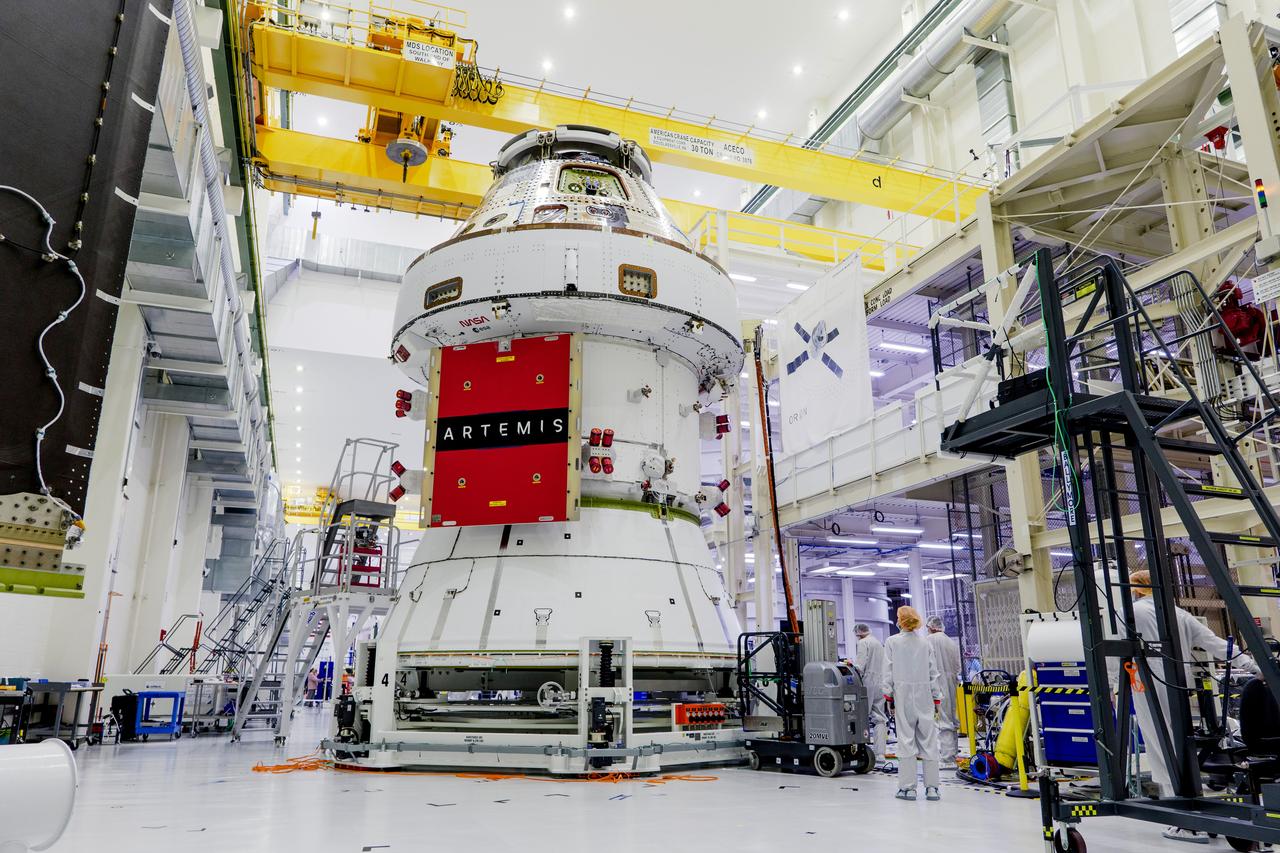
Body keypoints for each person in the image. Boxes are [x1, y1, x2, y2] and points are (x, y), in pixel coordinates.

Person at [1126, 569, 1260, 844]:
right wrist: (1252, 666)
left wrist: (1115, 685)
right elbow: (1214, 643)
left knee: (1160, 747)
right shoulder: (1179, 613)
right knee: (1180, 745)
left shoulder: (1133, 612)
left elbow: (1118, 649)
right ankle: (1188, 802)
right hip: (1179, 684)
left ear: (1137, 588)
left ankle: (1181, 817)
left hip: (1147, 685)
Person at [884, 605, 942, 801]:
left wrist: (888, 697)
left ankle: (908, 788)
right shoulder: (925, 643)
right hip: (925, 693)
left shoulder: (892, 642)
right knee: (929, 739)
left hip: (902, 695)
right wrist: (936, 697)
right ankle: (933, 788)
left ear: (900, 620)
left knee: (906, 740)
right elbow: (933, 672)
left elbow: (888, 671)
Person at [926, 615, 962, 766]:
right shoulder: (950, 641)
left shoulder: (928, 641)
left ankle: (947, 759)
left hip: (937, 683)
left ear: (931, 627)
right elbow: (957, 667)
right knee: (951, 718)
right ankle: (952, 753)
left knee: (943, 720)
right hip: (951, 682)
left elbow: (925, 665)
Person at [853, 623, 889, 769]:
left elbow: (860, 667)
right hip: (881, 683)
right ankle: (880, 754)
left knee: (862, 717)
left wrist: (850, 665)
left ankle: (860, 751)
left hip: (867, 683)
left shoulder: (863, 643)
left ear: (858, 633)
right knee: (880, 718)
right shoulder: (879, 644)